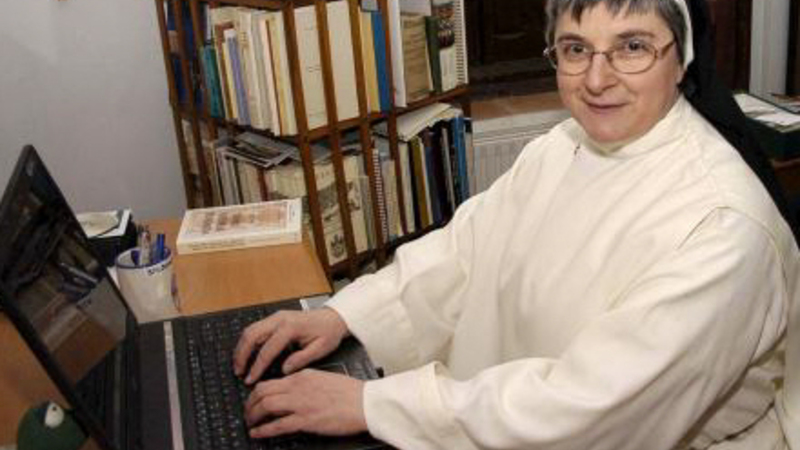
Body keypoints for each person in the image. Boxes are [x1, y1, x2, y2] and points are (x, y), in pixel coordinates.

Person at [233, 0, 800, 448]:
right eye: (575, 49)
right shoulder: (560, 146)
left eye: (632, 47)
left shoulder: (723, 228)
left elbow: (592, 410)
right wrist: (344, 315)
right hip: (496, 418)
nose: (596, 79)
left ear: (682, 59)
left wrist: (372, 406)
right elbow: (464, 253)